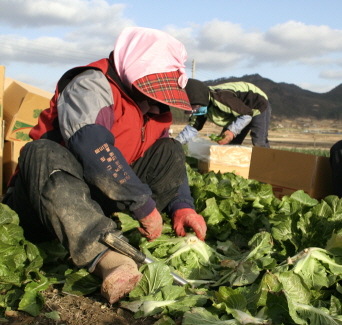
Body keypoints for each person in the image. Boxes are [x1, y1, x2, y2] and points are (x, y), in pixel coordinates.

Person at [2, 27, 207, 304]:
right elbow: (92, 146)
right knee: (41, 152)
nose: (157, 100)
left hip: (98, 200)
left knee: (171, 150)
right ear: (135, 68)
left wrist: (183, 205)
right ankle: (108, 257)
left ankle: (118, 235)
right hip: (48, 201)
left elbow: (165, 161)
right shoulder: (91, 85)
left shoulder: (156, 109)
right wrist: (142, 205)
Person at [175, 79, 271, 147]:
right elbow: (193, 127)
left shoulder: (222, 97)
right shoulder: (201, 106)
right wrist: (176, 143)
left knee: (259, 141)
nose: (198, 110)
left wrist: (232, 131)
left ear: (203, 100)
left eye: (198, 107)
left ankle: (267, 170)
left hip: (257, 105)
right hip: (238, 112)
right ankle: (232, 170)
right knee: (227, 145)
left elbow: (246, 114)